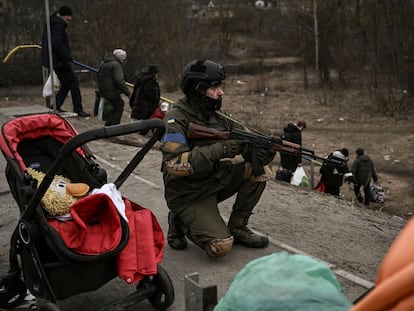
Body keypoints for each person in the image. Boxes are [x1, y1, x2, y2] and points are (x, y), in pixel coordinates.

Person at [160, 59, 276, 258]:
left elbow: (244, 136)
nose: (220, 92)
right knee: (221, 247)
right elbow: (174, 165)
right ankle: (179, 219)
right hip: (186, 192)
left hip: (211, 180)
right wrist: (222, 148)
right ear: (198, 89)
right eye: (214, 87)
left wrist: (261, 150)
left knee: (259, 170)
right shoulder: (175, 119)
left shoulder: (219, 115)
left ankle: (238, 227)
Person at [41, 6, 90, 117]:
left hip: (55, 59)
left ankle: (56, 105)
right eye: (69, 17)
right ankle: (78, 109)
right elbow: (57, 43)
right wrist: (66, 55)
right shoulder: (58, 25)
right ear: (64, 16)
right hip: (59, 60)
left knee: (66, 84)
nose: (70, 19)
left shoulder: (54, 23)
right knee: (73, 83)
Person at [97, 49, 131, 126]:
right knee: (119, 105)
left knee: (114, 107)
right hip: (111, 91)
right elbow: (119, 80)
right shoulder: (116, 65)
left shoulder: (104, 62)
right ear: (120, 58)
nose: (123, 60)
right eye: (123, 59)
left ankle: (108, 124)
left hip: (103, 90)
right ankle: (114, 126)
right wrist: (128, 93)